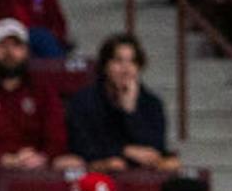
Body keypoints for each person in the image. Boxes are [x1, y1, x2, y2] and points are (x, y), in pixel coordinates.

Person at [0, 17, 79, 171]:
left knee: (71, 163)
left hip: (36, 164)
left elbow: (57, 137)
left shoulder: (42, 89)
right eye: (1, 45)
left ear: (26, 50)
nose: (9, 53)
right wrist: (2, 158)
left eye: (16, 45)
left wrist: (41, 156)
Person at [64, 33, 178, 174]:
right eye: (118, 61)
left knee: (172, 164)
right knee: (114, 165)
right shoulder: (84, 100)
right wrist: (125, 150)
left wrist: (130, 112)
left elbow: (154, 148)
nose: (126, 69)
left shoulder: (152, 103)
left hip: (141, 172)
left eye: (132, 62)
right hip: (99, 168)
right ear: (105, 66)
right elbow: (82, 145)